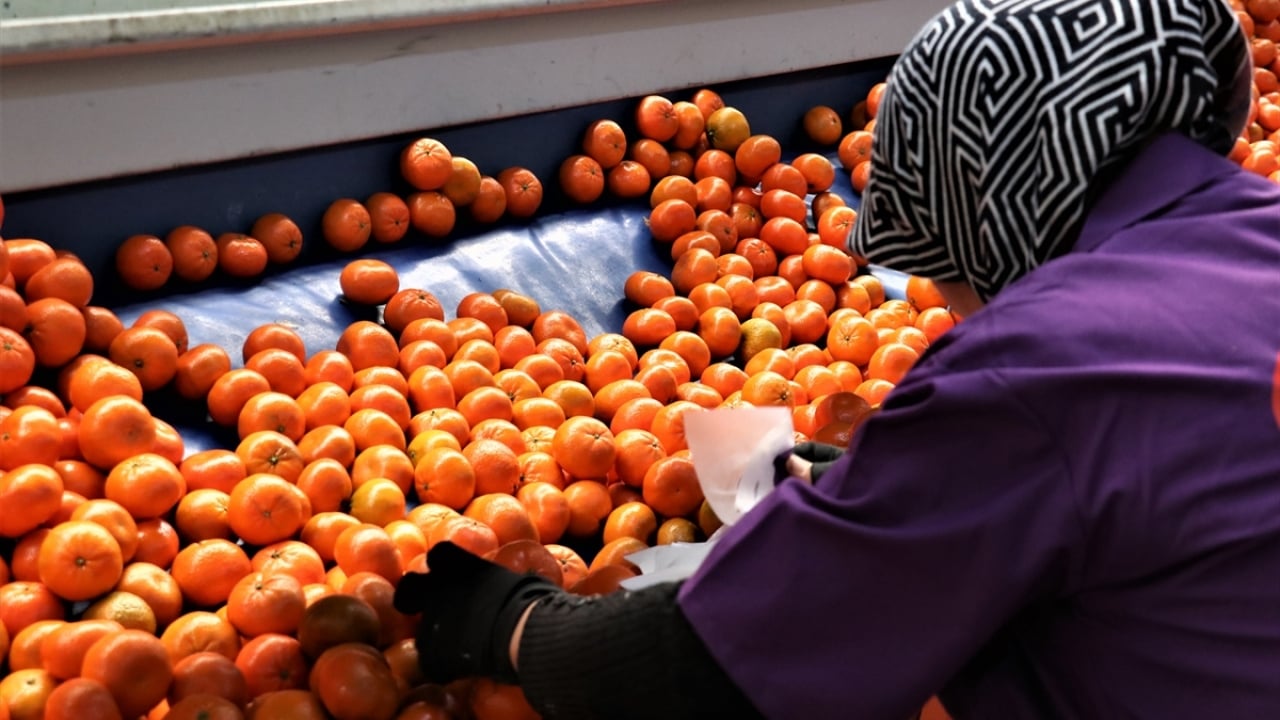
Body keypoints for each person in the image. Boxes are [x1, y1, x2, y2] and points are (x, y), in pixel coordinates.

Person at [394, 0, 1280, 717]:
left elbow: (725, 665)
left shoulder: (1038, 362)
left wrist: (509, 625)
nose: (950, 304)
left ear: (988, 208)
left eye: (945, 273)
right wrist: (901, 487)